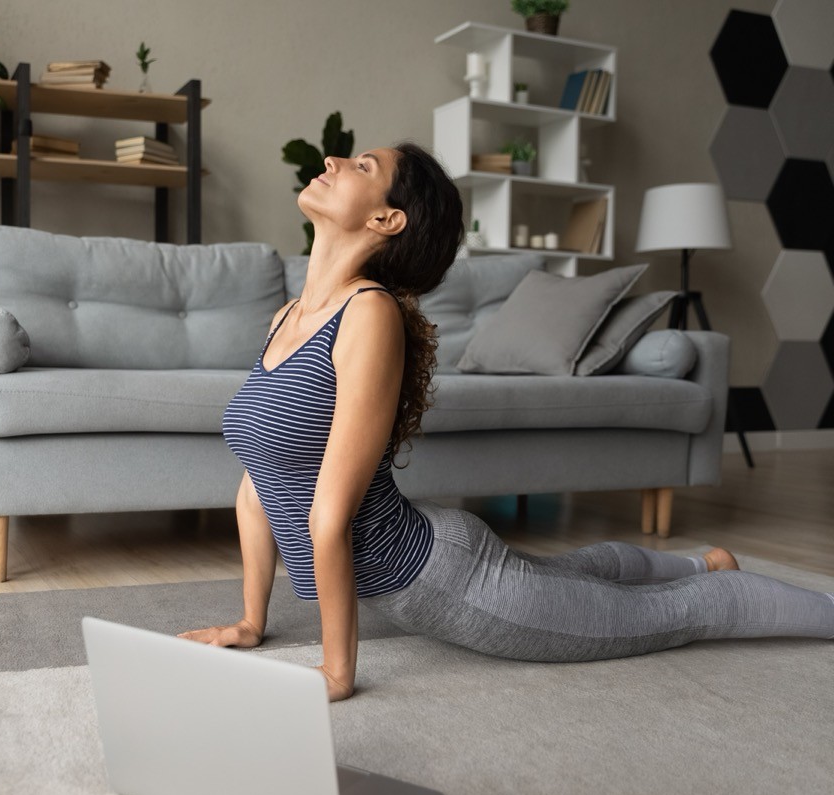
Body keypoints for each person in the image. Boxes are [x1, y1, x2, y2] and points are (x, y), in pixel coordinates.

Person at [178, 142, 834, 702]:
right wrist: (249, 620)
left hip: (443, 577)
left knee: (662, 619)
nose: (333, 159)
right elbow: (258, 483)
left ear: (386, 217)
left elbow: (330, 515)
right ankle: (701, 563)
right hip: (435, 542)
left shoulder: (369, 314)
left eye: (362, 164)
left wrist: (336, 670)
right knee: (575, 575)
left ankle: (737, 590)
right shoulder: (287, 319)